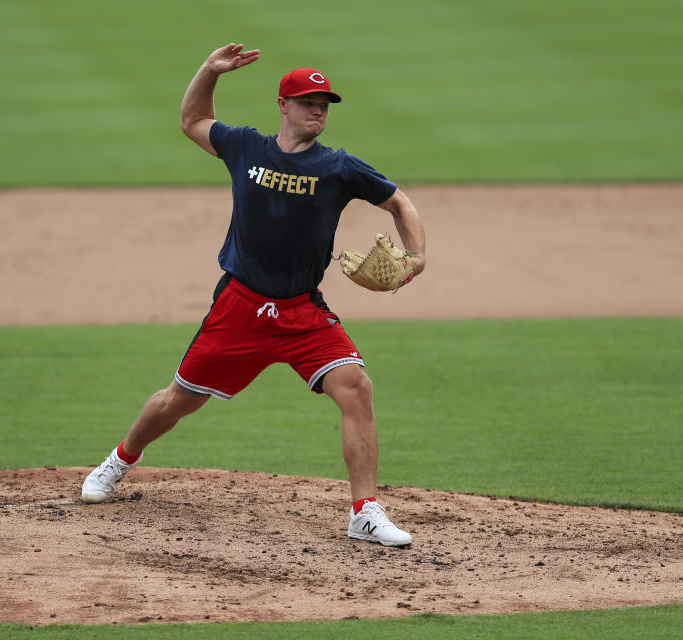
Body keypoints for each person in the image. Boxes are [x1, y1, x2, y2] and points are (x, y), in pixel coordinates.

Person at [81, 43, 426, 547]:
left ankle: (364, 512)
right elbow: (193, 120)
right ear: (283, 106)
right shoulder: (246, 147)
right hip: (240, 309)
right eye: (308, 101)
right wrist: (209, 72)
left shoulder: (339, 167)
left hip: (303, 312)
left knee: (357, 388)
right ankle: (118, 461)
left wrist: (416, 258)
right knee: (179, 400)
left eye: (324, 104)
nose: (317, 110)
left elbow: (399, 202)